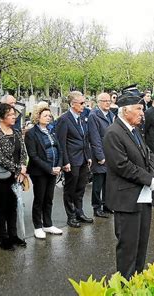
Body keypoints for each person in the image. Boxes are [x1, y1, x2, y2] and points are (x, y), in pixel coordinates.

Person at [103, 93, 154, 279]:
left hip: (142, 196)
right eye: (139, 109)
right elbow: (122, 165)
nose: (142, 113)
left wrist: (153, 174)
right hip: (126, 200)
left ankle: (138, 281)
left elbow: (147, 154)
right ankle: (126, 284)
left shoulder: (134, 130)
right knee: (128, 246)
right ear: (125, 111)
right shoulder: (113, 133)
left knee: (141, 243)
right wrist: (149, 179)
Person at [0, 103, 28, 250]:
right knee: (1, 208)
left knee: (13, 206)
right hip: (0, 177)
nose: (14, 117)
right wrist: (18, 169)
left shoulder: (16, 132)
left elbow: (23, 152)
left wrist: (22, 169)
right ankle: (3, 238)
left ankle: (13, 235)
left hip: (16, 176)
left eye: (14, 114)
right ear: (0, 117)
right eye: (10, 115)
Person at [25, 106, 64, 239]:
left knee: (49, 199)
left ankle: (48, 224)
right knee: (39, 199)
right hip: (40, 172)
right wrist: (49, 168)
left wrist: (59, 165)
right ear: (38, 117)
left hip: (53, 170)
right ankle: (37, 226)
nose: (49, 117)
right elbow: (33, 156)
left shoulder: (51, 131)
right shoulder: (31, 133)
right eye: (45, 115)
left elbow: (60, 149)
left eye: (49, 116)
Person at [56, 91, 93, 228]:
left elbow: (86, 138)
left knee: (81, 187)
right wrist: (65, 161)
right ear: (72, 104)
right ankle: (71, 216)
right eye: (82, 103)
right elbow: (61, 142)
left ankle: (79, 212)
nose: (84, 105)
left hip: (83, 158)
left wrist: (88, 156)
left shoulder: (83, 117)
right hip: (71, 160)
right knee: (71, 188)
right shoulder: (64, 119)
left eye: (85, 102)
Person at [88, 93, 115, 219]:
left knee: (108, 183)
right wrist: (100, 156)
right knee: (98, 183)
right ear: (98, 102)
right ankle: (97, 207)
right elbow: (95, 138)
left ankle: (107, 205)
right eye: (105, 101)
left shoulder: (111, 115)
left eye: (109, 101)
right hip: (100, 155)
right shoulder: (94, 116)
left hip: (110, 154)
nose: (108, 103)